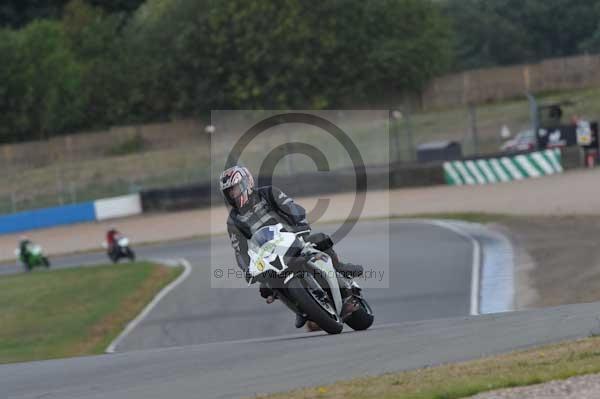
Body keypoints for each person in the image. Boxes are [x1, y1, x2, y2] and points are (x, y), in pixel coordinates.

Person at [220, 165, 363, 328]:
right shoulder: (233, 221)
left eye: (235, 189)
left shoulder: (268, 193)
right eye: (229, 192)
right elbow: (240, 251)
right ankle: (301, 308)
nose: (233, 194)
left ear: (246, 183)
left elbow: (291, 207)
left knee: (320, 239)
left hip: (292, 238)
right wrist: (247, 269)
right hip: (268, 255)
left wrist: (300, 225)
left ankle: (339, 267)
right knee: (266, 287)